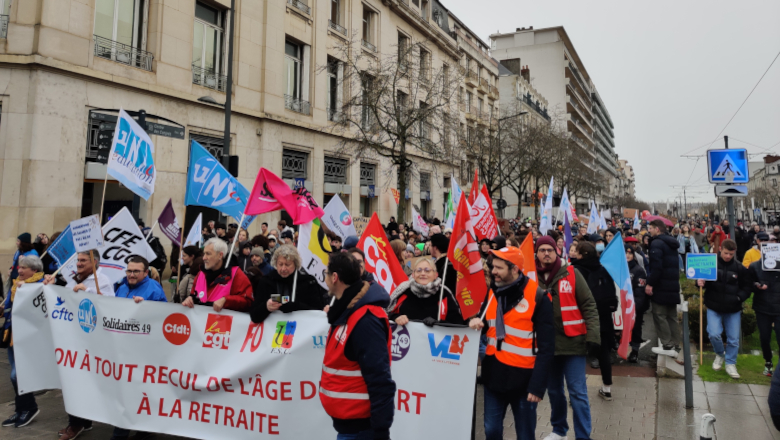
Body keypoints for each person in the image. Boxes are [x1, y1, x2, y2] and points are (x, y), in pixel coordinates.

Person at [469, 246, 554, 440]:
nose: (493, 271)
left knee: (525, 434)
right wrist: (474, 323)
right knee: (491, 430)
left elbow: (547, 347)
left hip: (524, 380)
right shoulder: (492, 292)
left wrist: (538, 386)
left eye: (499, 268)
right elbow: (485, 326)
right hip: (494, 376)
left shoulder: (538, 297)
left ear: (515, 269)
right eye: (493, 267)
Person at [320, 253, 395, 440]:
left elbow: (380, 379)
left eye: (326, 273)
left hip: (362, 430)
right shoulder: (346, 312)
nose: (325, 277)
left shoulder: (365, 319)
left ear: (335, 278)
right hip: (350, 427)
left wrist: (380, 432)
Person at [535, 235, 600, 440]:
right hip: (547, 346)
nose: (546, 253)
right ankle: (559, 430)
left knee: (578, 393)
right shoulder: (531, 276)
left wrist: (593, 337)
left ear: (557, 252)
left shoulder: (571, 273)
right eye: (542, 250)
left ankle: (583, 436)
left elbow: (589, 304)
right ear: (536, 253)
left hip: (573, 344)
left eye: (550, 250)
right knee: (554, 391)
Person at [1, 255, 45, 429]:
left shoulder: (40, 286)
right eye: (19, 267)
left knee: (17, 375)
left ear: (34, 270)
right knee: (16, 376)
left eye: (24, 268)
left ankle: (30, 408)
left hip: (29, 339)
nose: (19, 270)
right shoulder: (16, 286)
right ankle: (21, 409)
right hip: (12, 335)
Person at [699, 239, 750, 379]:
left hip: (733, 308)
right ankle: (720, 354)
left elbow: (747, 287)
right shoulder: (711, 263)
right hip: (714, 306)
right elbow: (701, 280)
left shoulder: (739, 268)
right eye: (726, 253)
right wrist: (699, 283)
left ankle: (731, 363)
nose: (728, 256)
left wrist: (739, 298)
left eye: (731, 254)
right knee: (713, 334)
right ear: (720, 249)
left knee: (733, 339)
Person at [572, 241, 617, 399]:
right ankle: (607, 388)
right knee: (604, 352)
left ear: (581, 255)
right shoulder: (603, 269)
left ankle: (577, 394)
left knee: (578, 356)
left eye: (576, 251)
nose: (573, 254)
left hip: (582, 318)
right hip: (603, 318)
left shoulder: (575, 270)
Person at [249, 244, 326, 324]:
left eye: (287, 265)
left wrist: (296, 306)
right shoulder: (267, 281)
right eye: (280, 264)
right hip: (273, 333)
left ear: (295, 264)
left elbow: (318, 312)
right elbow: (254, 316)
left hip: (302, 331)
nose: (283, 268)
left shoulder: (308, 282)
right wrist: (266, 307)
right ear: (276, 263)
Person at [181, 238, 253, 313]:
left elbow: (248, 302)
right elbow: (193, 295)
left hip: (224, 322)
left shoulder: (236, 274)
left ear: (220, 255)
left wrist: (226, 300)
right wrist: (190, 299)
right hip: (201, 322)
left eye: (208, 254)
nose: (204, 258)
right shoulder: (201, 274)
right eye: (204, 253)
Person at [387, 258, 461, 325]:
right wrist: (395, 317)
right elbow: (386, 313)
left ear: (436, 275)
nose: (422, 273)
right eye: (419, 270)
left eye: (427, 270)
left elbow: (457, 321)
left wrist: (439, 323)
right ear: (413, 274)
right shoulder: (403, 291)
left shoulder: (444, 293)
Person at [646, 219, 682, 357]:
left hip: (661, 285)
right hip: (672, 284)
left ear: (657, 229)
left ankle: (667, 345)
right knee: (671, 316)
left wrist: (650, 283)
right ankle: (676, 344)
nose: (649, 230)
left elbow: (657, 267)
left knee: (659, 315)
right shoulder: (671, 242)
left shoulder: (656, 243)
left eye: (651, 228)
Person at [748, 247, 780, 376]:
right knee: (765, 337)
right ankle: (768, 362)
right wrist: (757, 286)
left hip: (778, 308)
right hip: (763, 308)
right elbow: (748, 283)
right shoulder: (755, 266)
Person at [44, 252, 115, 297]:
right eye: (78, 260)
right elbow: (62, 300)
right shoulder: (73, 281)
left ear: (94, 262)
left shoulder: (104, 281)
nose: (78, 264)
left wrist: (87, 291)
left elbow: (108, 304)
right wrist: (51, 286)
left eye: (83, 260)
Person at [626, 245, 648, 363]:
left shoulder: (638, 270)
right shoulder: (619, 268)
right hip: (621, 306)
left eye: (630, 253)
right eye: (626, 253)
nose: (628, 255)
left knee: (635, 329)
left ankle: (635, 351)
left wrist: (636, 307)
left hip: (634, 305)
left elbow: (640, 292)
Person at [430, 234, 457, 298]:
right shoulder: (451, 262)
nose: (429, 248)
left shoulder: (445, 266)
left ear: (435, 248)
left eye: (430, 245)